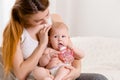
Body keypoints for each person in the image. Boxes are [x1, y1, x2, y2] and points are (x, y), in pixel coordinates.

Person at [2, 0, 81, 80]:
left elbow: (71, 51)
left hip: (62, 74)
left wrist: (76, 72)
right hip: (39, 77)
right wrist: (42, 45)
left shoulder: (55, 19)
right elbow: (21, 74)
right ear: (24, 18)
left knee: (94, 78)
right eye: (38, 20)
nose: (46, 22)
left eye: (47, 14)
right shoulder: (15, 33)